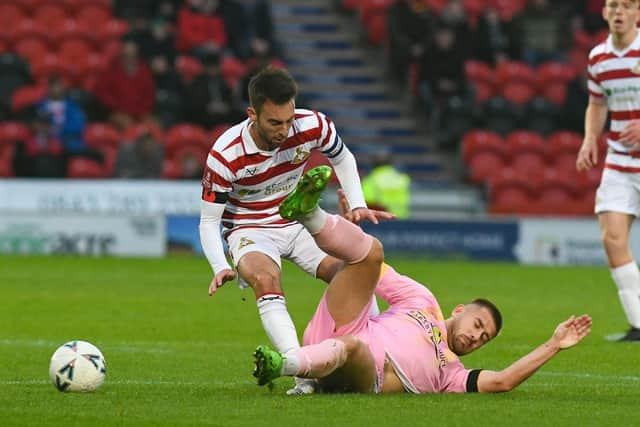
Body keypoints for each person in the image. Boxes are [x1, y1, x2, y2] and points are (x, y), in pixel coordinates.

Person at [253, 166, 592, 393]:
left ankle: (287, 365)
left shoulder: (452, 373)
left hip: (357, 369)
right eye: (477, 325)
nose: (477, 337)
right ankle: (309, 213)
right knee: (372, 253)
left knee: (352, 347)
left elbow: (502, 381)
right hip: (347, 323)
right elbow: (368, 271)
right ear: (459, 310)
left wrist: (553, 345)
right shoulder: (423, 301)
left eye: (484, 337)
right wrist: (349, 229)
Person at [199, 67, 393, 394]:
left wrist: (357, 202)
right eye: (275, 122)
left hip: (298, 218)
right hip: (250, 227)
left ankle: (373, 355)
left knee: (351, 273)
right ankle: (300, 371)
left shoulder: (313, 125)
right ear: (252, 114)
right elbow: (208, 221)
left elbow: (342, 158)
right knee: (266, 280)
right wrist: (220, 266)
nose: (285, 130)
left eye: (289, 120)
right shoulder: (225, 154)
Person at [576, 0, 640, 342]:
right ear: (604, 12)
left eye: (627, 6)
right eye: (613, 5)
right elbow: (598, 103)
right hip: (619, 159)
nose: (619, 11)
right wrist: (590, 139)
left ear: (638, 14)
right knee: (612, 239)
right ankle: (639, 324)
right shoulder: (598, 57)